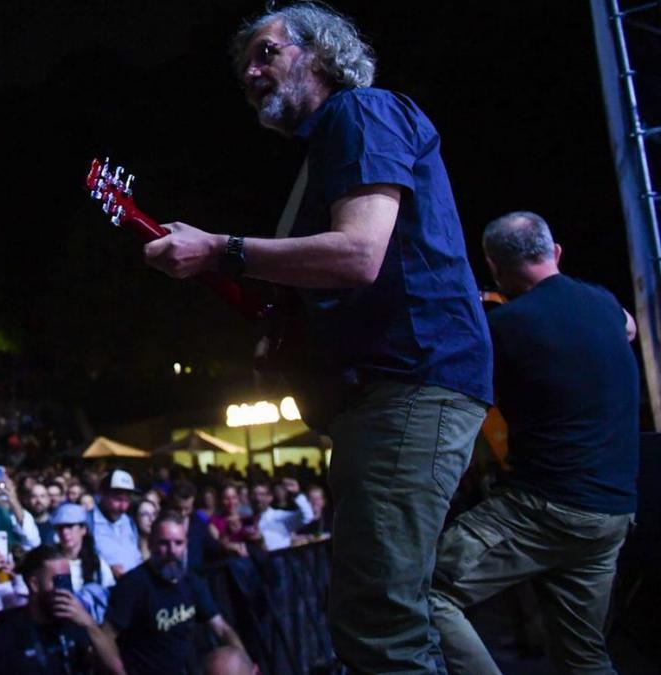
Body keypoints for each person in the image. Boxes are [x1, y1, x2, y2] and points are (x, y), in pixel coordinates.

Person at [142, 4, 493, 669]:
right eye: (243, 64)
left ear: (321, 53)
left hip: (408, 382)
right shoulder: (327, 147)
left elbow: (359, 253)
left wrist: (220, 248)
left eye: (267, 53)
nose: (249, 72)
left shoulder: (359, 114)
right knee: (396, 609)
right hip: (390, 390)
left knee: (378, 618)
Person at [430, 211, 640, 674]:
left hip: (545, 507)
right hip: (613, 513)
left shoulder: (506, 326)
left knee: (423, 593)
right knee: (583, 655)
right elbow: (629, 328)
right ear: (556, 252)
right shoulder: (603, 304)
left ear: (493, 265)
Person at [104, 511, 243, 675]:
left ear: (186, 545)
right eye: (164, 543)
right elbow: (106, 636)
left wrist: (244, 664)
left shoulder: (192, 582)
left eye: (178, 543)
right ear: (150, 544)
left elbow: (221, 629)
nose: (172, 551)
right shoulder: (133, 584)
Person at [0, 545, 126, 675]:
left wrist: (90, 625)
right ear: (34, 584)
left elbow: (117, 669)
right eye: (58, 582)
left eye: (67, 581)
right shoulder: (10, 635)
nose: (64, 590)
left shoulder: (75, 622)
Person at [53, 503, 116, 623]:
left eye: (70, 526)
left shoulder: (97, 563)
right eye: (61, 528)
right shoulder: (52, 563)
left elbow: (109, 594)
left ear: (83, 530)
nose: (65, 532)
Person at [90, 470, 142, 578]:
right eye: (118, 499)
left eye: (127, 500)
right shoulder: (88, 522)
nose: (123, 507)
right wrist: (106, 569)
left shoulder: (130, 522)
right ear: (102, 494)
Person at [247, 479, 313, 552]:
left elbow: (308, 516)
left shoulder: (280, 516)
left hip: (281, 558)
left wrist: (296, 494)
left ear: (270, 497)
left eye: (262, 494)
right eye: (254, 494)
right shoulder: (246, 519)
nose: (258, 498)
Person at [25, 482, 57, 547]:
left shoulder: (57, 525)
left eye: (42, 496)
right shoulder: (23, 524)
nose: (38, 500)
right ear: (28, 500)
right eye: (34, 496)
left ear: (48, 500)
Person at [132, 499, 158, 563]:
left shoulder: (161, 546)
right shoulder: (130, 546)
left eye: (154, 514)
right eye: (145, 514)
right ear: (136, 517)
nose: (151, 519)